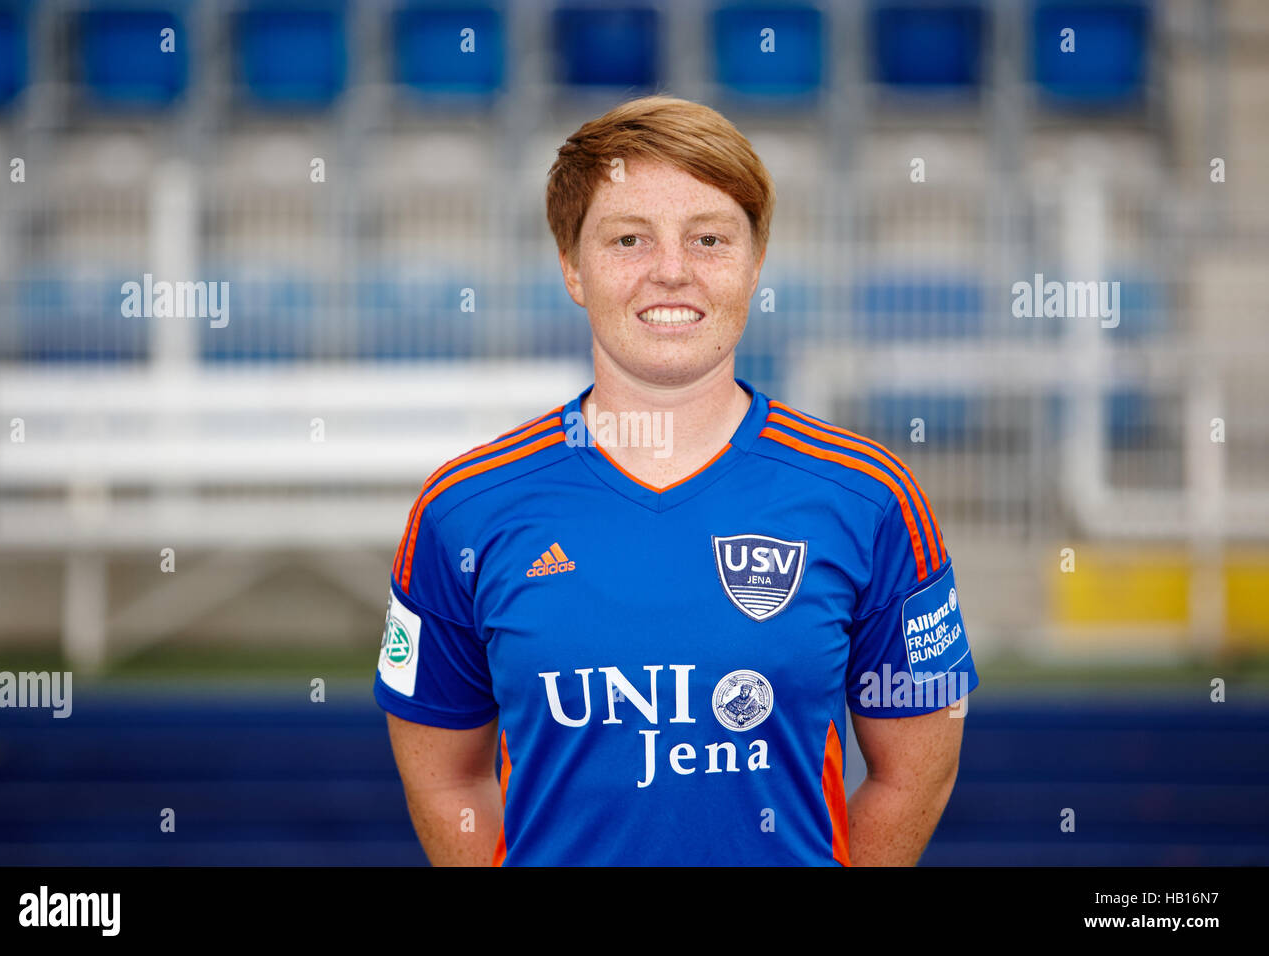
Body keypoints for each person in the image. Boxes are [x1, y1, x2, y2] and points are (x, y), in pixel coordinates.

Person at [375, 95, 977, 866]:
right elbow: (448, 781)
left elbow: (914, 773)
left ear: (755, 264)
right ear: (571, 268)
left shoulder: (871, 497)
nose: (670, 271)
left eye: (709, 239)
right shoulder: (464, 510)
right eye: (629, 238)